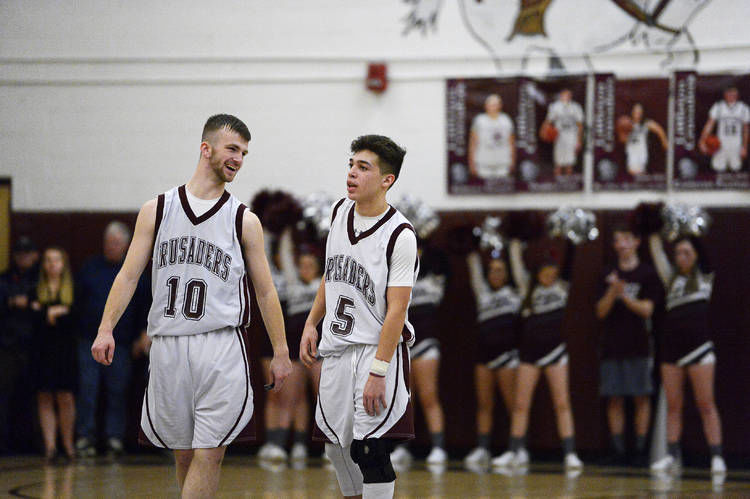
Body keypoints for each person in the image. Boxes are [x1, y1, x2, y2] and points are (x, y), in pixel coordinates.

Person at [90, 114, 292, 497]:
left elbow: (265, 292)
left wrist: (281, 349)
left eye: (245, 153)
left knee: (210, 452)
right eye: (232, 149)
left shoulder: (243, 220)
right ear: (206, 149)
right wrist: (106, 328)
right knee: (184, 455)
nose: (239, 159)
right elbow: (129, 276)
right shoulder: (157, 209)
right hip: (168, 345)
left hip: (220, 345)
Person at [300, 135, 417, 499]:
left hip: (375, 351)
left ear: (387, 180)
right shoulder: (339, 212)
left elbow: (397, 308)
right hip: (337, 349)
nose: (352, 173)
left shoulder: (400, 234)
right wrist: (311, 322)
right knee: (336, 447)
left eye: (363, 168)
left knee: (371, 448)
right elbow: (330, 274)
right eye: (351, 164)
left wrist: (379, 372)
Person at [492, 239, 582, 470]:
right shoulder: (526, 289)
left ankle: (570, 454)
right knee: (521, 405)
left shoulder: (562, 287)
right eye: (546, 272)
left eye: (553, 272)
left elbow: (571, 261)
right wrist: (514, 244)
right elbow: (515, 263)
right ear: (538, 272)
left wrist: (571, 239)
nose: (550, 276)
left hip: (556, 353)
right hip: (529, 354)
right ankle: (514, 452)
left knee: (562, 404)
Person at [648, 234, 726, 474]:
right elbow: (656, 251)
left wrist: (690, 227)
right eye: (678, 253)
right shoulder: (670, 278)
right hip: (672, 349)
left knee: (706, 404)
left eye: (687, 253)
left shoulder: (705, 276)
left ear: (696, 254)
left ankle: (716, 457)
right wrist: (652, 228)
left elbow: (705, 251)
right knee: (673, 406)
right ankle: (672, 455)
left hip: (699, 348)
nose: (681, 257)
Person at [75, 221, 149, 458]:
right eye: (109, 242)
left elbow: (146, 307)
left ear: (126, 245)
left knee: (117, 391)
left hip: (123, 343)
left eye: (116, 242)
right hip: (89, 339)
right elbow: (79, 302)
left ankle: (114, 438)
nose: (112, 246)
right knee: (88, 390)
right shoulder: (90, 268)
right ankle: (86, 436)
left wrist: (143, 334)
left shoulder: (135, 272)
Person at [595, 226, 661, 465]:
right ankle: (618, 451)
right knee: (614, 398)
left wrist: (625, 296)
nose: (620, 244)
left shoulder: (647, 273)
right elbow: (600, 312)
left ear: (636, 241)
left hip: (639, 345)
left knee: (641, 397)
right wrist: (613, 292)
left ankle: (641, 451)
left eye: (625, 239)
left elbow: (647, 309)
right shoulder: (607, 273)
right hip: (612, 346)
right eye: (616, 240)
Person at [262, 228, 323, 462]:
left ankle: (328, 445)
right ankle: (281, 444)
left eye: (310, 265)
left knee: (323, 398)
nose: (305, 269)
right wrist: (285, 226)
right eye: (302, 265)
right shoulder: (293, 285)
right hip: (297, 350)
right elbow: (286, 257)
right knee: (291, 397)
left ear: (317, 267)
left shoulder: (322, 286)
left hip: (320, 351)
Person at [391, 243, 448, 467]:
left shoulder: (432, 282)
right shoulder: (397, 281)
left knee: (428, 396)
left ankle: (439, 447)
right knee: (404, 400)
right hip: (402, 344)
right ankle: (403, 447)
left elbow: (441, 261)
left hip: (426, 344)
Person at [463, 250, 520, 469]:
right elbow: (474, 268)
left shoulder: (515, 293)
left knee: (513, 405)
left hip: (507, 356)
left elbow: (518, 268)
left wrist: (513, 248)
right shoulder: (482, 293)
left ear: (507, 273)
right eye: (492, 270)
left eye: (500, 270)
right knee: (484, 405)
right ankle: (483, 448)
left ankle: (517, 449)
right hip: (483, 356)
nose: (495, 274)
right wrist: (473, 248)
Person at [31, 246, 77, 462]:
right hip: (42, 350)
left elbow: (77, 317)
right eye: (48, 260)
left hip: (65, 351)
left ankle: (67, 445)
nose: (52, 264)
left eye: (56, 260)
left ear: (63, 263)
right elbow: (34, 319)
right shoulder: (36, 288)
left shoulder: (72, 288)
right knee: (45, 396)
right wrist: (50, 313)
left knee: (65, 397)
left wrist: (50, 312)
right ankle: (50, 447)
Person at [0, 237, 39, 455]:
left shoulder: (40, 279)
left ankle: (34, 443)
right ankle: (4, 443)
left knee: (34, 397)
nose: (23, 257)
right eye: (19, 253)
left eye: (27, 253)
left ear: (35, 255)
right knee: (4, 397)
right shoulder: (5, 279)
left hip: (34, 348)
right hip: (8, 347)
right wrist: (13, 303)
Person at [699, 86, 750, 172]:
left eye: (733, 92)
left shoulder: (744, 108)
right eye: (728, 92)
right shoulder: (718, 107)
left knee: (736, 168)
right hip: (720, 142)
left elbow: (746, 129)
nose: (731, 95)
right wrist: (702, 140)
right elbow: (709, 125)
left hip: (736, 143)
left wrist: (744, 147)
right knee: (718, 167)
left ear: (737, 94)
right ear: (724, 94)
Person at [468, 94, 515, 180]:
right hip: (483, 163)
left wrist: (512, 160)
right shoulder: (479, 120)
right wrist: (471, 163)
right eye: (491, 105)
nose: (493, 107)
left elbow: (511, 142)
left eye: (495, 104)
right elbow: (473, 142)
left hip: (502, 163)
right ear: (486, 106)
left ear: (500, 106)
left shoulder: (506, 120)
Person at [541, 89, 583, 177]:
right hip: (559, 135)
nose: (566, 97)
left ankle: (568, 182)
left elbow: (580, 125)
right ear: (560, 96)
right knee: (558, 161)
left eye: (568, 95)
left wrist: (579, 140)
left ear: (570, 96)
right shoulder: (555, 106)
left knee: (570, 162)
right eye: (564, 95)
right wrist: (543, 130)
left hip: (572, 135)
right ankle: (557, 181)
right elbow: (548, 120)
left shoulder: (576, 107)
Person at [623, 103, 668, 176]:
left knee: (640, 173)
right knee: (632, 172)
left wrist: (664, 142)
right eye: (636, 112)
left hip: (641, 153)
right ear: (632, 112)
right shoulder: (627, 123)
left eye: (639, 112)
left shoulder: (646, 123)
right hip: (631, 153)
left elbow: (659, 130)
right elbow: (622, 140)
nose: (638, 114)